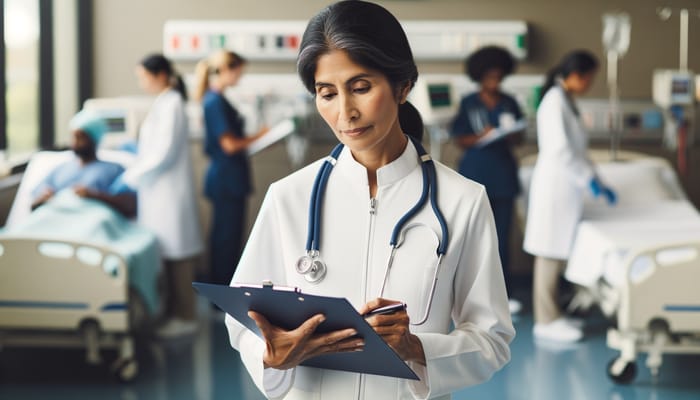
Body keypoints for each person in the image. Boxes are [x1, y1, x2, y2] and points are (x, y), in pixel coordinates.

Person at [225, 2, 514, 399]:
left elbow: (492, 340)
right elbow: (244, 324)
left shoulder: (462, 202)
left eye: (361, 88)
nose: (345, 112)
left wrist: (416, 347)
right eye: (327, 93)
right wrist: (271, 355)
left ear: (402, 86)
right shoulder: (288, 198)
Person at [523, 50, 616, 343]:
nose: (590, 83)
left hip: (564, 188)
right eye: (589, 77)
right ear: (576, 75)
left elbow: (578, 151)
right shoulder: (553, 102)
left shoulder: (566, 101)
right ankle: (546, 320)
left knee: (555, 252)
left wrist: (596, 179)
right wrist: (589, 180)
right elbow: (561, 151)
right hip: (555, 187)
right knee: (548, 253)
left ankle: (554, 316)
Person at [120, 53, 203, 338]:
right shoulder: (165, 102)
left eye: (143, 76)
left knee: (178, 257)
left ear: (159, 74)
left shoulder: (173, 104)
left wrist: (132, 175)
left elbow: (163, 154)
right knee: (168, 256)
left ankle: (186, 316)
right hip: (159, 193)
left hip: (169, 194)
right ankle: (174, 313)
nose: (141, 83)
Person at [449, 45, 525, 315]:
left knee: (501, 239)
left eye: (498, 76)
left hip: (502, 174)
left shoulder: (509, 102)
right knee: (472, 237)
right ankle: (469, 296)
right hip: (476, 172)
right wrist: (484, 135)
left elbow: (519, 137)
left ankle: (503, 295)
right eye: (489, 76)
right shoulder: (469, 103)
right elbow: (460, 138)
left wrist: (507, 133)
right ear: (479, 76)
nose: (494, 81)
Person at [192, 50, 269, 287]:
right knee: (226, 239)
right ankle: (222, 292)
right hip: (227, 179)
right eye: (238, 72)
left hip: (229, 177)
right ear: (225, 70)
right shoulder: (214, 101)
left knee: (228, 236)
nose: (240, 77)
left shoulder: (218, 99)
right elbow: (229, 145)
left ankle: (222, 287)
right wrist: (260, 136)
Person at [31, 109, 136, 217]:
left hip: (91, 220)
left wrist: (94, 196)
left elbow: (130, 205)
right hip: (56, 217)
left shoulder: (114, 169)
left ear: (94, 139)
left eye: (81, 138)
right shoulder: (60, 169)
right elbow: (33, 204)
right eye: (73, 137)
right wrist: (43, 198)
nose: (75, 143)